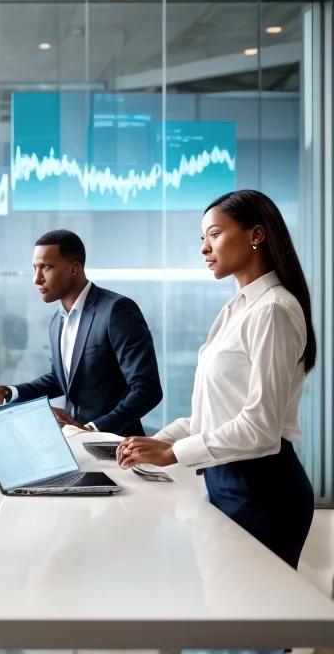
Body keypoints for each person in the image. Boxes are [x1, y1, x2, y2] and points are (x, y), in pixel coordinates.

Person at [117, 189, 315, 571]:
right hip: (228, 480)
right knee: (225, 604)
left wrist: (173, 453)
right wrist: (157, 441)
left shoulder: (272, 310)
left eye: (214, 234)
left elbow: (261, 428)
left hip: (263, 490)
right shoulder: (239, 308)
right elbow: (219, 413)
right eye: (202, 239)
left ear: (256, 235)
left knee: (248, 614)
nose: (204, 249)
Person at [0, 229, 162, 436]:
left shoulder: (117, 310)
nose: (36, 279)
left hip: (117, 449)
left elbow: (147, 390)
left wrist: (92, 429)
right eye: (35, 268)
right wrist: (6, 393)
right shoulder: (57, 321)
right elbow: (61, 380)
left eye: (46, 267)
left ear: (74, 269)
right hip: (75, 446)